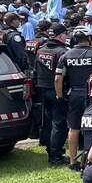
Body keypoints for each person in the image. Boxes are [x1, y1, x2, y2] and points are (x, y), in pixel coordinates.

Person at [59, 27, 92, 172]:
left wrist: (60, 95)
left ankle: (73, 161)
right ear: (89, 38)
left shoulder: (66, 55)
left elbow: (57, 78)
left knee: (73, 128)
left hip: (74, 94)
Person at [35, 23, 71, 166]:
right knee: (59, 124)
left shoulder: (40, 49)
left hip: (43, 90)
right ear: (61, 35)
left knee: (48, 122)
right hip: (58, 91)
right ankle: (55, 156)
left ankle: (51, 150)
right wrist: (61, 94)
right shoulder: (63, 52)